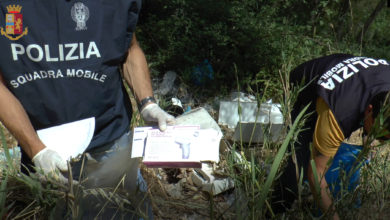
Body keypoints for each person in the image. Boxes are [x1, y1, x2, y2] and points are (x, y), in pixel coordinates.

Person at [0, 0, 174, 218]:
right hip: (47, 151)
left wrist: (148, 103)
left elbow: (129, 47)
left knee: (127, 211)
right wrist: (37, 150)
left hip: (111, 143)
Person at [271, 53, 390, 218]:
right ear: (369, 110)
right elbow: (316, 172)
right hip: (305, 89)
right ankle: (275, 210)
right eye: (380, 133)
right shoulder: (339, 114)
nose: (381, 139)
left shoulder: (379, 100)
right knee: (299, 164)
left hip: (351, 85)